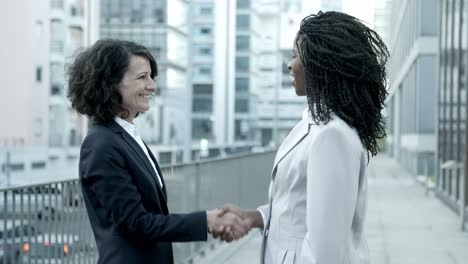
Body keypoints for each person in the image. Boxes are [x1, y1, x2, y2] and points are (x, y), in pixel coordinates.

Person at [216, 11, 389, 263]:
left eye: (295, 56)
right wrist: (255, 217)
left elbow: (324, 252)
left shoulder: (332, 136)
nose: (289, 64)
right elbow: (300, 208)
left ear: (320, 64)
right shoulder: (316, 123)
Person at [67, 39, 249, 264]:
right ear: (111, 83)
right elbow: (137, 224)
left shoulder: (126, 137)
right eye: (142, 77)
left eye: (151, 77)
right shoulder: (101, 145)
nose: (152, 85)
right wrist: (206, 221)